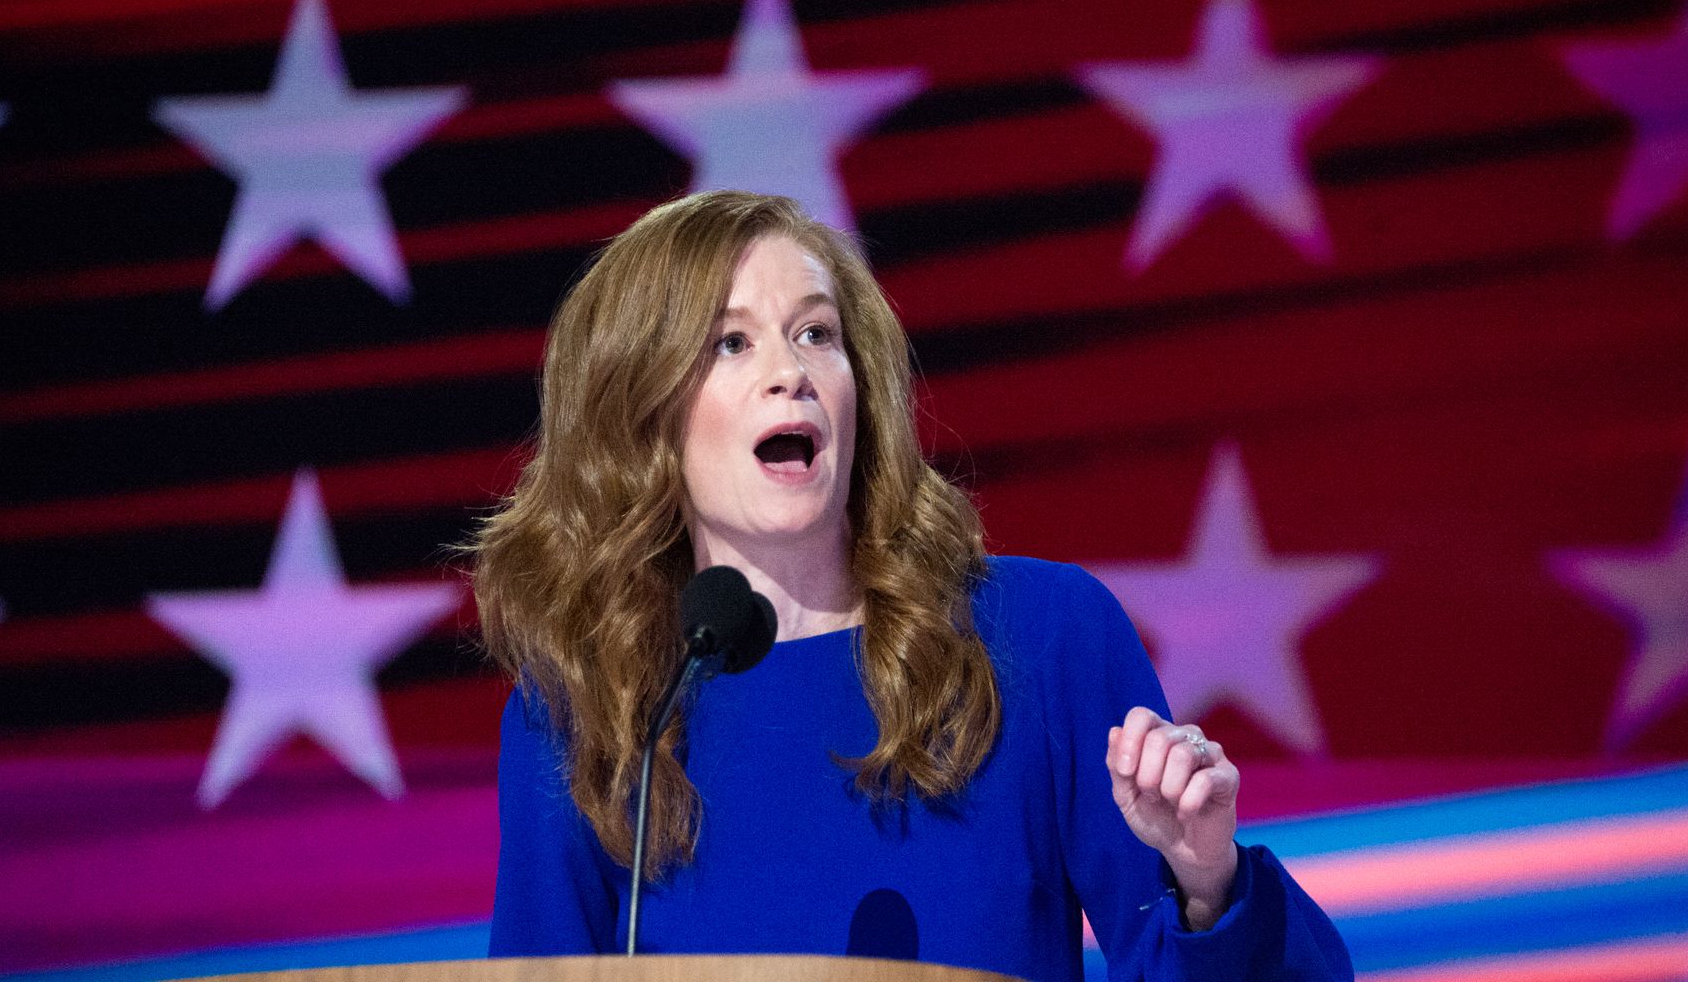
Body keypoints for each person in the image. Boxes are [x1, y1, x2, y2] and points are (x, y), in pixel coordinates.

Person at [473, 190, 1353, 981]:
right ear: (643, 416)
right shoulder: (587, 709)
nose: (793, 372)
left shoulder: (1038, 639)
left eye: (817, 333)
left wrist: (1210, 881)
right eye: (730, 343)